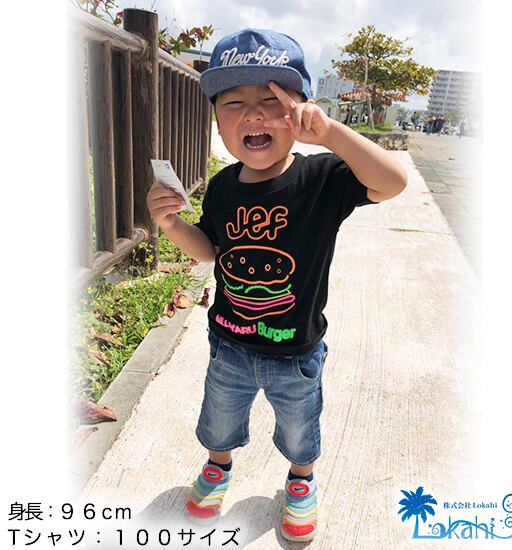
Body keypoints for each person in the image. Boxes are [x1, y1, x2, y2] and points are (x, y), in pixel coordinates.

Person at [146, 28, 407, 542]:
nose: (254, 115)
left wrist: (331, 135)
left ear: (301, 111)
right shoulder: (222, 187)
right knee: (219, 418)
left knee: (299, 426)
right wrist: (171, 224)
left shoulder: (323, 179)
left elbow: (392, 182)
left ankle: (301, 480)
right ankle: (217, 467)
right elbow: (212, 250)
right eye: (234, 103)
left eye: (272, 101)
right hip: (230, 342)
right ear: (218, 119)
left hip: (296, 350)